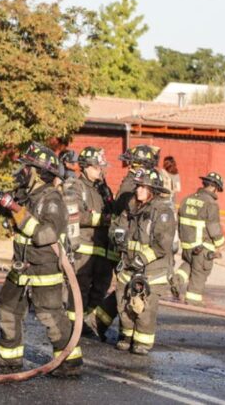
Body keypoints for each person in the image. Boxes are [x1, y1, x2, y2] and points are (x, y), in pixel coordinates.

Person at [0, 142, 82, 376]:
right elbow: (6, 211)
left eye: (27, 167)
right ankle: (10, 357)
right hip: (21, 265)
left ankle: (69, 361)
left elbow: (45, 234)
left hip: (43, 267)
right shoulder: (26, 195)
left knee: (49, 315)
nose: (23, 171)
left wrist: (19, 214)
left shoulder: (51, 200)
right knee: (8, 306)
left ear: (38, 172)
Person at [89, 144, 161, 339]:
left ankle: (98, 321)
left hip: (131, 246)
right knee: (124, 288)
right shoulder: (139, 182)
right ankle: (101, 323)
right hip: (126, 246)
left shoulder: (135, 181)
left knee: (125, 288)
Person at [110, 168, 175, 355]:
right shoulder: (129, 208)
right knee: (123, 303)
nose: (138, 190)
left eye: (143, 187)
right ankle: (126, 336)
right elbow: (117, 229)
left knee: (144, 309)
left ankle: (142, 342)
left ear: (153, 190)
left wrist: (141, 259)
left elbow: (162, 245)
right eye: (138, 186)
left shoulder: (163, 212)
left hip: (151, 270)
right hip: (128, 266)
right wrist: (117, 237)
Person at [63, 147, 114, 334]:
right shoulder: (74, 186)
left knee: (101, 289)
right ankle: (73, 327)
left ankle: (89, 324)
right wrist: (103, 219)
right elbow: (75, 215)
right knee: (80, 290)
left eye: (101, 167)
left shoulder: (103, 189)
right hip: (83, 249)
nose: (100, 170)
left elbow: (112, 212)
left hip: (102, 249)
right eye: (96, 167)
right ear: (85, 167)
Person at [171, 172, 225, 306]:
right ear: (214, 187)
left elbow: (179, 222)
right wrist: (220, 243)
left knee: (190, 265)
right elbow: (213, 227)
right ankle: (193, 300)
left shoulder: (187, 199)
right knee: (200, 272)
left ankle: (177, 279)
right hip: (202, 248)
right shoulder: (210, 204)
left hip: (188, 246)